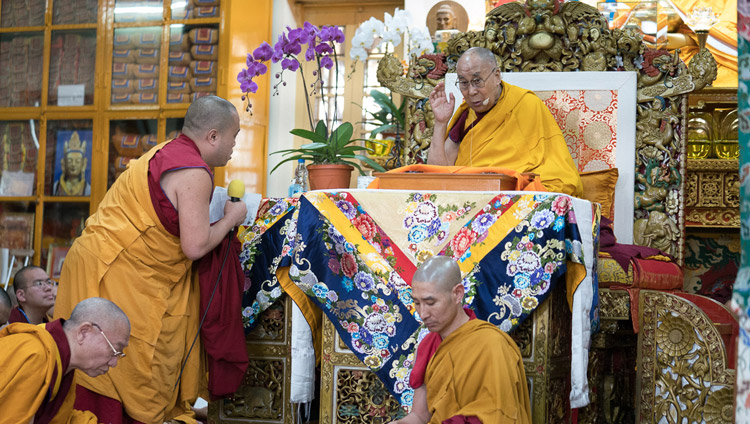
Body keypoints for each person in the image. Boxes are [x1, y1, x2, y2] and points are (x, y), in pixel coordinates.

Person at [54, 95, 248, 424]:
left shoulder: (162, 152)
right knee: (118, 354)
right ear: (213, 136)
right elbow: (195, 246)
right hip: (116, 271)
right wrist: (232, 217)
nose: (234, 145)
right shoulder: (194, 171)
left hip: (98, 261)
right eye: (234, 136)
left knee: (98, 351)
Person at [391, 256, 531, 424]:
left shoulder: (492, 344)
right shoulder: (428, 345)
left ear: (457, 294)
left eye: (430, 302)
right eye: (417, 303)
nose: (422, 314)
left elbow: (498, 415)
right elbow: (420, 416)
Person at [427, 47, 583, 197]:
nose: (471, 91)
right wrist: (441, 123)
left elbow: (559, 175)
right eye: (464, 83)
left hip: (515, 198)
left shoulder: (526, 105)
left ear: (496, 76)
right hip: (470, 198)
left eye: (477, 81)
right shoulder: (466, 116)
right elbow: (437, 174)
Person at [0, 297, 130, 424]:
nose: (114, 362)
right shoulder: (34, 353)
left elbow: (59, 418)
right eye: (114, 350)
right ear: (84, 332)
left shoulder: (62, 365)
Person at [53, 131, 91, 196]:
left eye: (77, 161)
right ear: (63, 164)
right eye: (70, 161)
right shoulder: (56, 187)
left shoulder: (88, 189)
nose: (73, 164)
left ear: (83, 164)